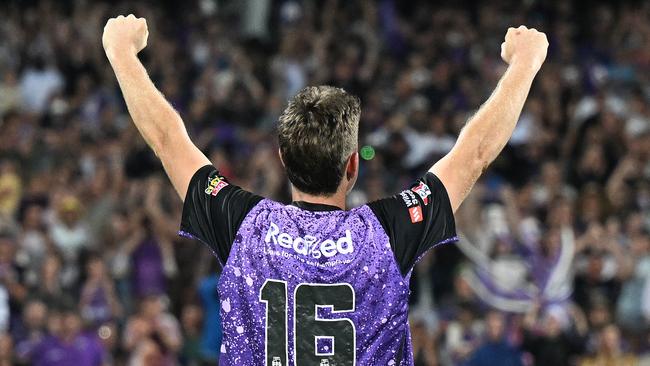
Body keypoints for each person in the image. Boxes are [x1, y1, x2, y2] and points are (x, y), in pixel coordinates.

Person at [102, 14, 548, 365]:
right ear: (353, 166)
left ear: (283, 160)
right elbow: (474, 154)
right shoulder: (388, 233)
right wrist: (524, 65)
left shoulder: (243, 226)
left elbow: (167, 138)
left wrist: (121, 53)